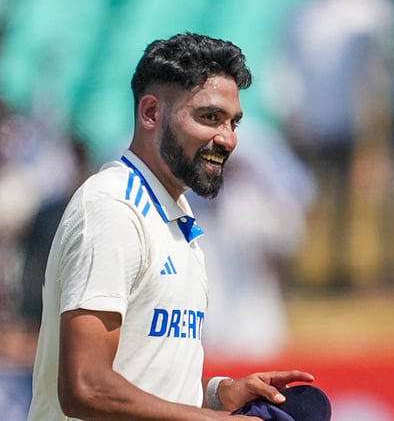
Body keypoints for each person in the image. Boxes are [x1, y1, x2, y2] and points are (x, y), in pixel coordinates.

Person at [27, 32, 315, 420]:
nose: (227, 139)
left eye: (233, 122)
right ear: (150, 113)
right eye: (210, 117)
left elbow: (148, 384)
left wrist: (219, 394)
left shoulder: (174, 216)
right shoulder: (112, 209)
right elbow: (86, 386)